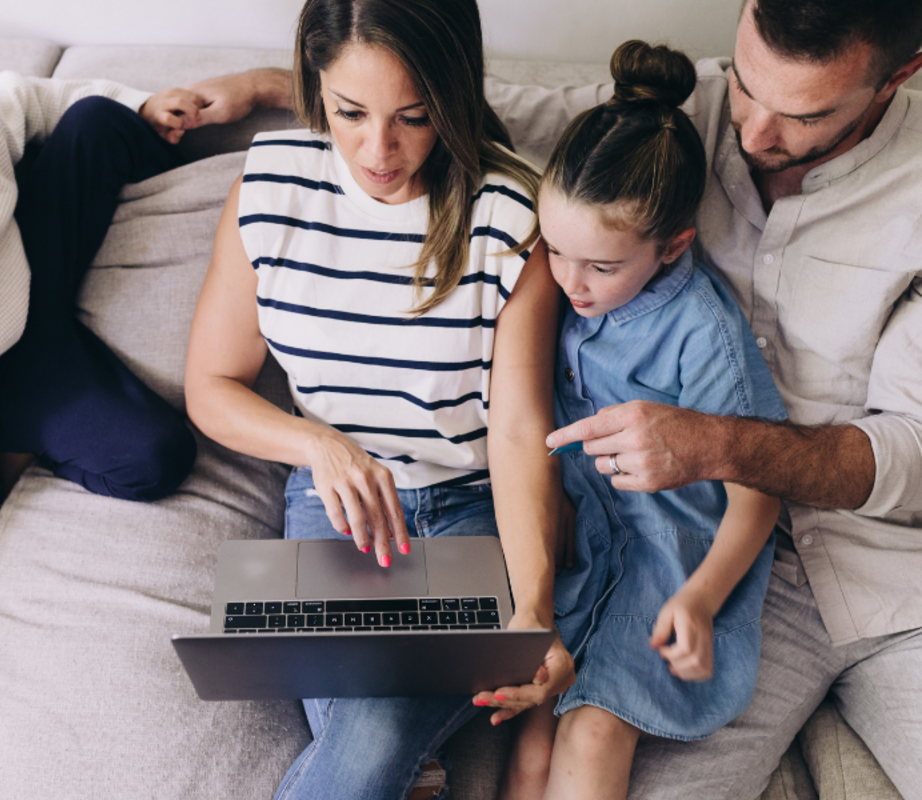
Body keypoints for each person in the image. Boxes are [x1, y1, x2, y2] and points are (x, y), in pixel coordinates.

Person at [476, 1, 922, 797]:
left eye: (803, 113)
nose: (749, 135)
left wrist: (718, 449)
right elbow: (479, 113)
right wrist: (297, 82)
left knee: (597, 728)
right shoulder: (668, 116)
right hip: (660, 562)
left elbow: (910, 450)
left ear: (899, 76)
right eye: (747, 85)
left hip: (874, 571)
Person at [183, 0, 573, 797]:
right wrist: (318, 445)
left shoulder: (513, 215)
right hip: (336, 506)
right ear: (313, 86)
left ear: (451, 98)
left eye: (413, 117)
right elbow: (210, 387)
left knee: (375, 735)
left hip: (472, 511)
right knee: (378, 742)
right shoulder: (269, 186)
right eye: (349, 113)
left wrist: (532, 608)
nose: (379, 150)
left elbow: (519, 430)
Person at [0, 0, 280, 583]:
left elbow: (32, 101)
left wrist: (142, 106)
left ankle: (60, 332)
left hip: (25, 272)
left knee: (96, 120)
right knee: (155, 459)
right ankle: (14, 438)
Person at [484, 41, 786, 800]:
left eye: (602, 266)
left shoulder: (701, 330)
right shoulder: (557, 284)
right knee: (527, 734)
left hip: (669, 554)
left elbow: (759, 489)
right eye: (555, 251)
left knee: (592, 730)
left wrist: (701, 599)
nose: (570, 283)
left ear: (672, 245)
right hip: (580, 536)